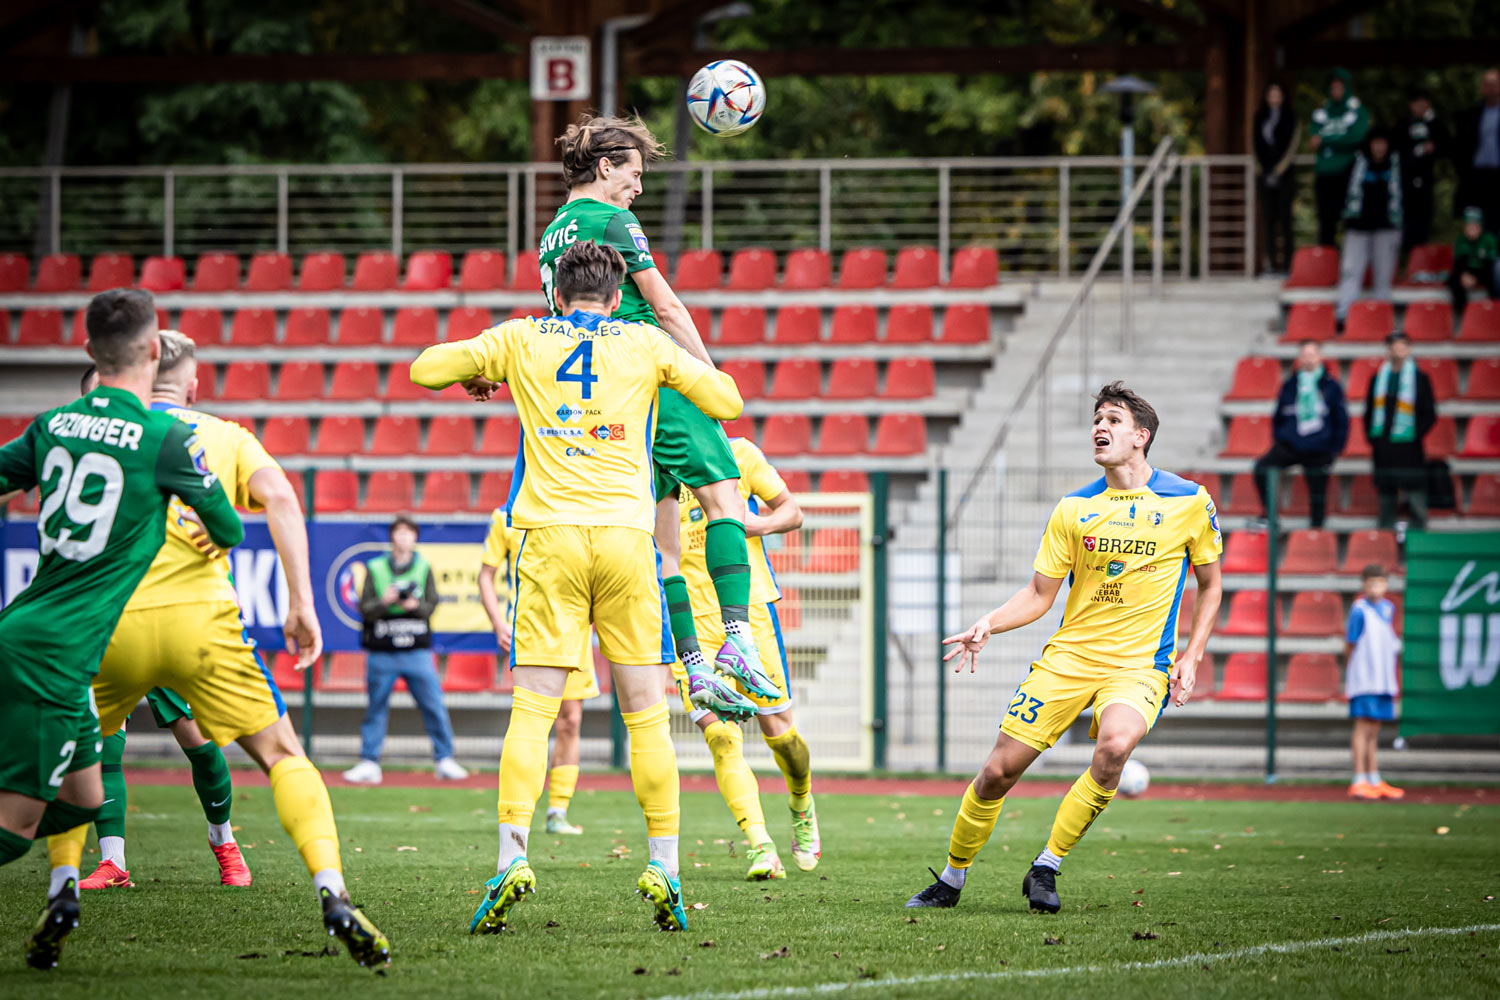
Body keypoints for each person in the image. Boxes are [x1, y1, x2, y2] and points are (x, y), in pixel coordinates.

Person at [409, 239, 745, 935]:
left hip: (549, 541)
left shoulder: (522, 336)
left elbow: (423, 368)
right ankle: (666, 868)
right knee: (648, 715)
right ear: (617, 294)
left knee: (532, 711)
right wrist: (674, 367)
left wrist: (480, 373)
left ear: (557, 292)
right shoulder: (643, 342)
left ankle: (510, 860)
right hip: (626, 542)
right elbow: (729, 401)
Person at [46, 327, 390, 969]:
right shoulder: (226, 436)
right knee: (284, 754)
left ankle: (61, 888)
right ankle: (332, 889)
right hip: (199, 625)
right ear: (193, 383)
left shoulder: (101, 432)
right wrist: (301, 604)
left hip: (110, 622)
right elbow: (282, 499)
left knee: (77, 752)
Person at [905, 382, 1222, 914]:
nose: (1101, 427)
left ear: (1141, 436)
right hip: (1068, 660)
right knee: (996, 773)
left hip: (1140, 665)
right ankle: (953, 879)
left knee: (1116, 747)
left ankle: (1046, 867)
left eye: (1114, 420)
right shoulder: (1074, 509)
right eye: (1097, 419)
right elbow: (1037, 595)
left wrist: (1191, 656)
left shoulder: (1189, 500)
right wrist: (989, 623)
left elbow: (1211, 585)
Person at [0, 291, 244, 970]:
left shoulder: (52, 423)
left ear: (89, 354)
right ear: (153, 353)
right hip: (57, 652)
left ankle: (67, 894)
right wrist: (199, 527)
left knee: (84, 798)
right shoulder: (164, 437)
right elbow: (229, 527)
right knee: (15, 830)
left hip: (48, 636)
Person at [537, 115, 783, 723]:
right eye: (634, 174)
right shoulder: (612, 219)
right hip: (654, 377)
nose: (638, 188)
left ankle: (696, 669)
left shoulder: (550, 236)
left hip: (610, 402)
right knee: (726, 500)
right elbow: (667, 307)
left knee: (665, 542)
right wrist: (709, 380)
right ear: (605, 167)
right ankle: (739, 640)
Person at [69, 362, 250, 892]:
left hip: (167, 617)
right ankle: (113, 862)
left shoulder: (157, 447)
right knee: (103, 744)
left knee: (198, 742)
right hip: (103, 623)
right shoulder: (73, 464)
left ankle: (225, 842)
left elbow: (219, 520)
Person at [670, 435, 821, 881]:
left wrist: (749, 525)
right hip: (690, 622)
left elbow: (792, 512)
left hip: (750, 609)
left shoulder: (739, 452)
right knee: (722, 738)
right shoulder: (657, 460)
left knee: (781, 734)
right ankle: (761, 846)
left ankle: (801, 799)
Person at [478, 500, 600, 835]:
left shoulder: (575, 506)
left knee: (571, 721)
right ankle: (520, 811)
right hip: (531, 629)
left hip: (574, 630)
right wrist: (497, 622)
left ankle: (557, 812)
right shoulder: (504, 515)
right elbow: (486, 575)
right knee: (532, 721)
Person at [343, 516, 467, 785]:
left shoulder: (423, 567)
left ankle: (444, 758)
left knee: (433, 704)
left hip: (416, 650)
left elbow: (432, 605)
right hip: (382, 651)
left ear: (415, 538)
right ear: (392, 537)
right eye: (399, 533)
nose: (403, 538)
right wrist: (384, 602)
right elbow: (364, 609)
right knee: (375, 707)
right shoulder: (375, 568)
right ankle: (369, 761)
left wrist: (415, 606)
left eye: (408, 533)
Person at [1252, 341, 1348, 528]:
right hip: (1291, 444)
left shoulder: (1331, 386)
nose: (1308, 358)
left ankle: (1316, 530)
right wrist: (1281, 437)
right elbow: (1279, 415)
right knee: (1262, 468)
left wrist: (1335, 449)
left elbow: (1341, 420)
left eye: (1312, 354)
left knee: (1318, 491)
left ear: (1320, 357)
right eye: (1305, 354)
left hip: (1320, 447)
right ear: (1299, 358)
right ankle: (1270, 517)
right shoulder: (1290, 385)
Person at [1364, 332, 1437, 530]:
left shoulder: (1420, 379)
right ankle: (1385, 539)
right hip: (1383, 447)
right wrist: (1376, 440)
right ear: (1388, 350)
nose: (1398, 351)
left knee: (1415, 495)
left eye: (1402, 346)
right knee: (1386, 496)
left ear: (1409, 349)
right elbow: (1369, 413)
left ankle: (1419, 537)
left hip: (1410, 447)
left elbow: (1429, 414)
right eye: (1393, 346)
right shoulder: (1378, 379)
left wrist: (1413, 435)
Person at [1344, 564, 1404, 801]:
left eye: (1379, 583)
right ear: (1364, 585)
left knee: (1374, 729)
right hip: (1365, 679)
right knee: (1362, 727)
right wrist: (1355, 672)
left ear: (1386, 585)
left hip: (1382, 679)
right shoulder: (1359, 610)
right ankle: (1358, 779)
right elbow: (1350, 644)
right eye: (1371, 583)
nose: (1375, 588)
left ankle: (1374, 777)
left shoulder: (1388, 609)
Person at [1335, 129, 1403, 326]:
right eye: (1376, 143)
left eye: (1383, 143)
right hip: (1358, 227)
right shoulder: (1356, 165)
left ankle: (1381, 317)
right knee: (1350, 272)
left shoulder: (1398, 166)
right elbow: (1342, 195)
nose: (1379, 147)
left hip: (1387, 227)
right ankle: (1344, 316)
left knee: (1383, 275)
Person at [1309, 68, 1370, 247]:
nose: (1336, 91)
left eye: (1339, 87)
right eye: (1333, 87)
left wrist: (1326, 141)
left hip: (1348, 172)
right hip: (1324, 173)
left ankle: (1351, 261)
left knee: (1351, 218)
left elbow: (1357, 137)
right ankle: (1327, 262)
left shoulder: (1357, 110)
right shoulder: (1322, 111)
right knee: (1326, 219)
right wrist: (1339, 141)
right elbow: (1313, 139)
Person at [1254, 82, 1300, 274]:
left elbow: (1293, 145)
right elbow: (1255, 144)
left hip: (1284, 175)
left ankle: (1289, 264)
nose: (1274, 97)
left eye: (1277, 94)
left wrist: (1279, 170)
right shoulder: (1260, 117)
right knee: (1269, 220)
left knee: (1285, 219)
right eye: (1271, 94)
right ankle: (1271, 262)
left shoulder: (1291, 117)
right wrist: (1263, 171)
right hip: (1264, 175)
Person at [1452, 68, 1500, 238]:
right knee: (1475, 225)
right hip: (1476, 179)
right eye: (1488, 84)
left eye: (1495, 84)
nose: (1491, 88)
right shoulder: (1471, 116)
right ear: (1482, 87)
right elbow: (1459, 148)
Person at [1401, 91, 1447, 253]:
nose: (1420, 107)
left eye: (1424, 104)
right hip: (1405, 181)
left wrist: (1431, 121)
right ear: (1410, 105)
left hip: (1426, 180)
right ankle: (1405, 257)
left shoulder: (1434, 124)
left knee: (1424, 219)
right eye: (1417, 103)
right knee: (1407, 221)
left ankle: (1421, 257)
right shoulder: (1404, 124)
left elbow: (1446, 145)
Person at [1449, 206, 1500, 316]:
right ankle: (1464, 312)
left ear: (1480, 226)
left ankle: (1495, 308)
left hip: (1484, 270)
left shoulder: (1489, 239)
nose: (1471, 228)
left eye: (1475, 225)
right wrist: (1464, 275)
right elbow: (1459, 262)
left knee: (1495, 274)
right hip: (1467, 271)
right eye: (1469, 226)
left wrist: (1475, 279)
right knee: (1454, 279)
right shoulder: (1461, 240)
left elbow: (1491, 262)